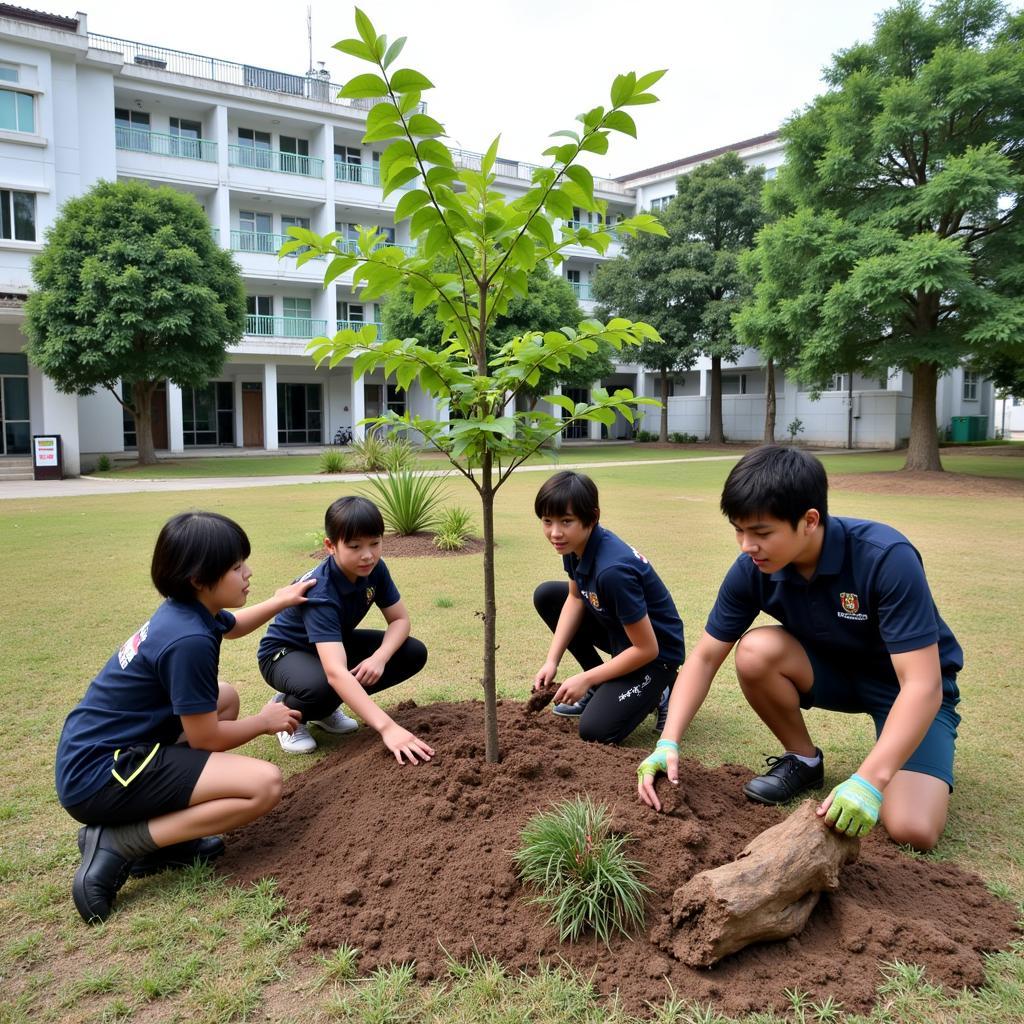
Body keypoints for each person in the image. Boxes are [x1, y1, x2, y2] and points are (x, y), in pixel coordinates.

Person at [637, 445, 962, 851]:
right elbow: (704, 659)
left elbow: (922, 685)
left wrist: (868, 781)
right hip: (832, 674)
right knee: (756, 650)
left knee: (913, 829)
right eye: (738, 530)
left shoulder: (885, 557)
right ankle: (803, 760)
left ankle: (902, 757)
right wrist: (667, 742)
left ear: (809, 520)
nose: (746, 546)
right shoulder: (752, 570)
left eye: (761, 532)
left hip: (907, 690)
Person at [56, 511, 314, 924]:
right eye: (235, 567)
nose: (248, 572)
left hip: (98, 750)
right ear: (198, 577)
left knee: (224, 697)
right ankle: (122, 842)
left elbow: (231, 627)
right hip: (101, 774)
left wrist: (281, 600)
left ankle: (166, 843)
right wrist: (266, 721)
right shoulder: (188, 640)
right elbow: (206, 740)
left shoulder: (188, 609)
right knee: (264, 785)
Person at [257, 495, 433, 763]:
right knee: (324, 684)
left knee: (411, 652)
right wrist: (388, 728)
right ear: (331, 546)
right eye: (354, 546)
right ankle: (288, 713)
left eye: (375, 543)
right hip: (284, 654)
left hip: (330, 645)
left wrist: (379, 658)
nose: (368, 555)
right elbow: (336, 673)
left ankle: (324, 711)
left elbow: (399, 621)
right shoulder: (320, 591)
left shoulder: (375, 569)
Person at [531, 470, 684, 743]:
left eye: (566, 521)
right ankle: (603, 682)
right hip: (622, 633)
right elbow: (576, 598)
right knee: (547, 596)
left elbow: (647, 648)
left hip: (655, 654)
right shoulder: (576, 546)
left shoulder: (612, 571)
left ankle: (665, 688)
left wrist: (586, 678)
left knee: (596, 731)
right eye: (547, 521)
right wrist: (551, 661)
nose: (555, 533)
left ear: (592, 517)